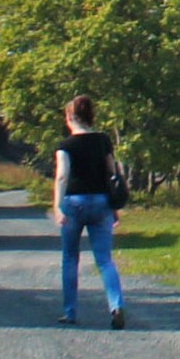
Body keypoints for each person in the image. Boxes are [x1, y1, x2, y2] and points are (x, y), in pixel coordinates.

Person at [49, 95, 126, 327]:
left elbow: (62, 176)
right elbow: (112, 171)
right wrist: (114, 206)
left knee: (70, 258)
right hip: (101, 201)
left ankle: (70, 312)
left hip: (74, 202)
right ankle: (116, 306)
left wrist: (57, 206)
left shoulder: (65, 146)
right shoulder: (103, 140)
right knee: (105, 260)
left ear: (70, 117)